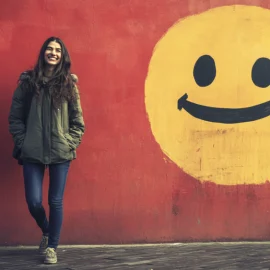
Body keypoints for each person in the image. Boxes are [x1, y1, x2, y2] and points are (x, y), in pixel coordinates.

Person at [8, 37, 85, 264]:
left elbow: (78, 122)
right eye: (49, 49)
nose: (53, 53)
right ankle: (47, 230)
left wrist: (69, 142)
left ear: (62, 56)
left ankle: (52, 247)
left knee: (55, 201)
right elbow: (15, 117)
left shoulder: (69, 85)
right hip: (32, 151)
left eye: (57, 50)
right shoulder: (28, 83)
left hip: (60, 152)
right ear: (43, 53)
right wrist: (24, 142)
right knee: (33, 201)